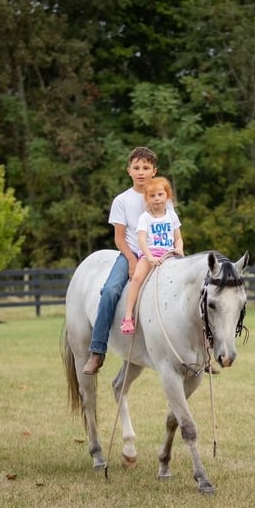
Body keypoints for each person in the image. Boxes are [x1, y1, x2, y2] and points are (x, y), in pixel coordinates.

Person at [82, 146, 169, 375]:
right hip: (132, 253)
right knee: (110, 291)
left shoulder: (160, 194)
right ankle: (97, 350)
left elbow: (171, 227)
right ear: (128, 170)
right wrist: (131, 260)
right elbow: (119, 238)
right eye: (136, 167)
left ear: (154, 171)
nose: (141, 172)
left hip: (162, 252)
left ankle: (200, 349)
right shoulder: (122, 201)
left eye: (146, 168)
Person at [120, 177, 184, 334]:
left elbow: (178, 238)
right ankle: (128, 317)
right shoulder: (145, 218)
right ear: (147, 199)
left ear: (167, 196)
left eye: (160, 195)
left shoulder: (171, 216)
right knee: (136, 278)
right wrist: (149, 256)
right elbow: (141, 240)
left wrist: (179, 249)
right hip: (151, 254)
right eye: (152, 196)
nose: (157, 199)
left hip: (169, 254)